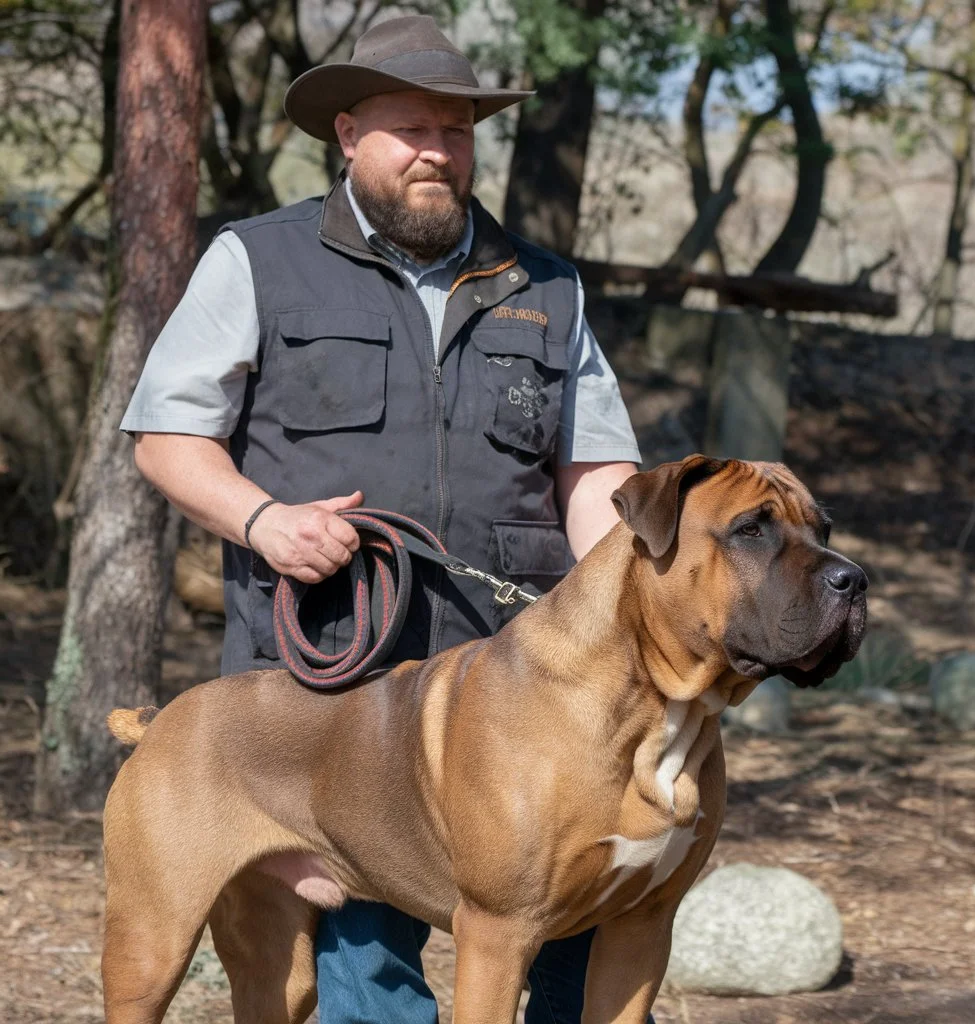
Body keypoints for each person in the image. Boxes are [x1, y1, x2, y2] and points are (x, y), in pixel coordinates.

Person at [121, 14, 647, 1023]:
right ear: (349, 134)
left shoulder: (548, 286)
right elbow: (165, 439)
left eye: (456, 133)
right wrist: (264, 518)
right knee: (371, 976)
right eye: (413, 129)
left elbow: (597, 472)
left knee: (578, 960)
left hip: (527, 696)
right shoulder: (256, 260)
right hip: (332, 684)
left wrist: (631, 599)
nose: (438, 153)